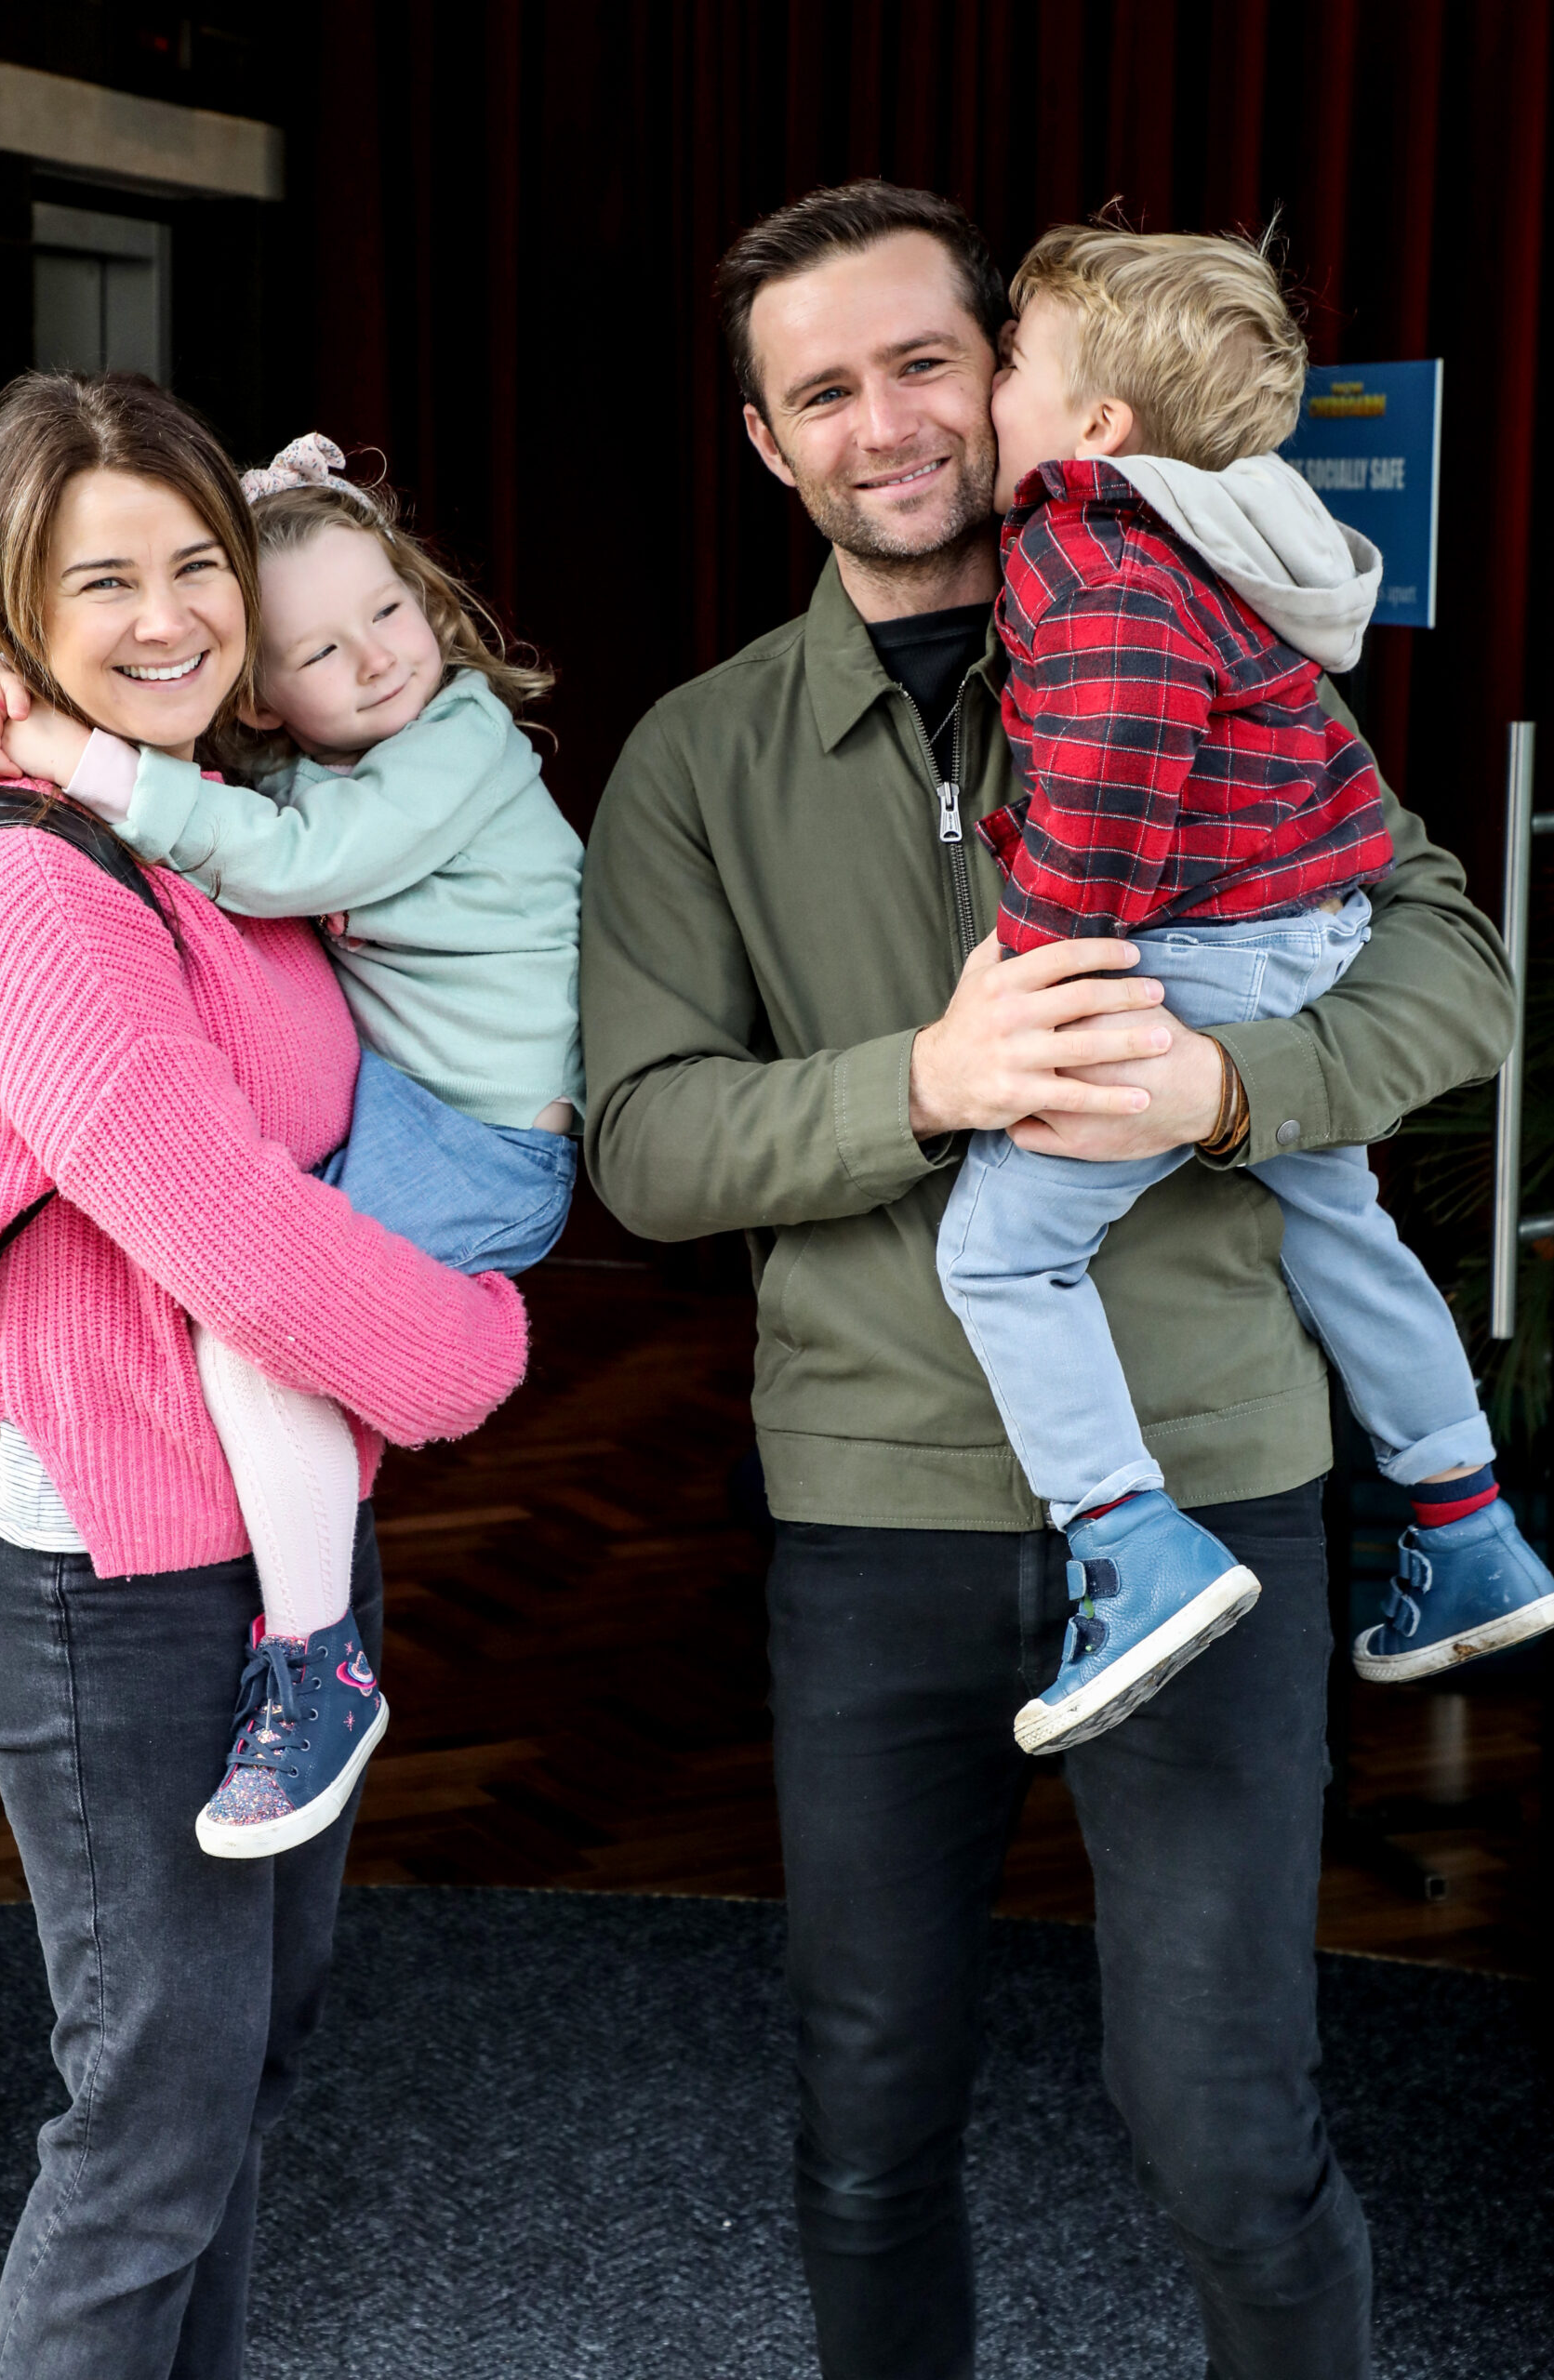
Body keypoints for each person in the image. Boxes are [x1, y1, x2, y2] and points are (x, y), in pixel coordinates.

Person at [579, 180, 1514, 2380]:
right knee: (868, 2131)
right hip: (877, 1513)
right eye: (826, 390)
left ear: (1010, 372)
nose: (887, 421)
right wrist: (921, 1077)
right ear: (763, 441)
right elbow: (641, 1139)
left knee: (1232, 2138)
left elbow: (1453, 960)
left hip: (1227, 1480)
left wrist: (1221, 1081)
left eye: (924, 361)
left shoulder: (1207, 621)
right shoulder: (697, 757)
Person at [0, 370, 527, 2378]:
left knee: (233, 2068)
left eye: (193, 566)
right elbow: (231, 1235)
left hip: (271, 1547)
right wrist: (483, 1345)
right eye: (102, 582)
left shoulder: (204, 837)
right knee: (153, 2115)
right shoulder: (32, 895)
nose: (168, 616)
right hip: (104, 1566)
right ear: (18, 606)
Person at [936, 220, 1554, 1756]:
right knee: (1335, 1219)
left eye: (1009, 362)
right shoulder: (1221, 536)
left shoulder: (1085, 553)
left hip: (1194, 954)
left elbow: (1111, 775)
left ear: (1094, 428)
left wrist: (1036, 959)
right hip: (1306, 928)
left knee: (1001, 1256)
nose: (989, 385)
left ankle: (1127, 1543)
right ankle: (1465, 1520)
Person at [0, 430, 583, 1857]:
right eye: (316, 649)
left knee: (256, 1325)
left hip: (478, 1146)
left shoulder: (460, 742)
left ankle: (317, 1664)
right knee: (250, 1302)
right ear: (260, 693)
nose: (373, 659)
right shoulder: (310, 773)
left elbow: (291, 864)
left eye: (390, 611)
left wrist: (70, 746)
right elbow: (194, 672)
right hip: (414, 1125)